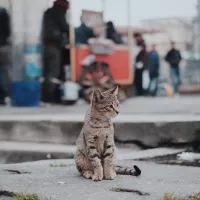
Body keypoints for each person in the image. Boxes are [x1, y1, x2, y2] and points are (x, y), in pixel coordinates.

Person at [42, 0, 69, 104]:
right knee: (54, 73)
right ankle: (50, 98)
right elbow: (65, 26)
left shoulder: (48, 12)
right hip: (53, 47)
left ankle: (45, 97)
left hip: (45, 46)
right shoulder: (59, 12)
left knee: (47, 72)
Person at [0, 7, 11, 105]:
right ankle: (4, 96)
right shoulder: (3, 12)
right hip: (2, 45)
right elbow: (8, 30)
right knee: (4, 71)